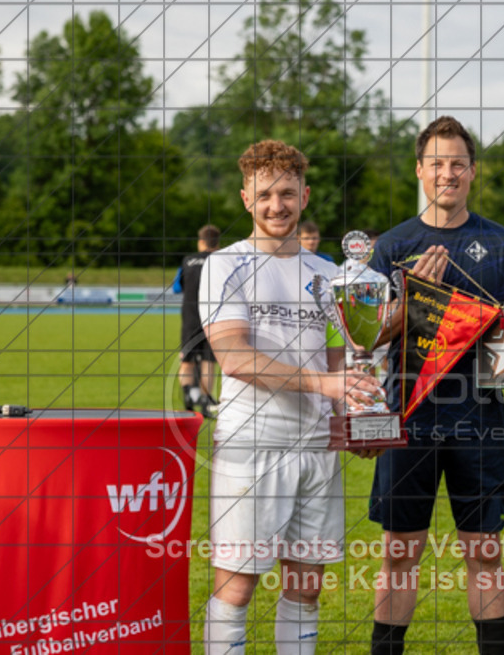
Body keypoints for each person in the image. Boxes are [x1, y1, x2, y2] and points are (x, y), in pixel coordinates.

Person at [366, 116, 504, 654]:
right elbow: (364, 337)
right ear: (420, 170)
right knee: (398, 552)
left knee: (484, 551)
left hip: (479, 419)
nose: (447, 173)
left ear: (473, 171)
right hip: (407, 418)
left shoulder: (503, 244)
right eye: (436, 163)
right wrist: (414, 296)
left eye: (457, 162)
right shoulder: (391, 246)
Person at [199, 140, 382, 655]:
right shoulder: (226, 266)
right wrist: (325, 385)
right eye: (264, 195)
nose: (275, 205)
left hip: (318, 445)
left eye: (286, 193)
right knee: (237, 588)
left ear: (305, 195)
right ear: (245, 199)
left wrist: (360, 414)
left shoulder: (330, 275)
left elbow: (336, 360)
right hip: (252, 444)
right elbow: (234, 356)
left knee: (305, 589)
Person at [173, 224, 221, 416]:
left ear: (200, 241)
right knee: (209, 361)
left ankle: (188, 397)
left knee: (188, 359)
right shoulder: (220, 261)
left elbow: (177, 287)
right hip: (214, 317)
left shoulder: (187, 260)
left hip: (190, 316)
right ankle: (206, 402)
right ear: (217, 243)